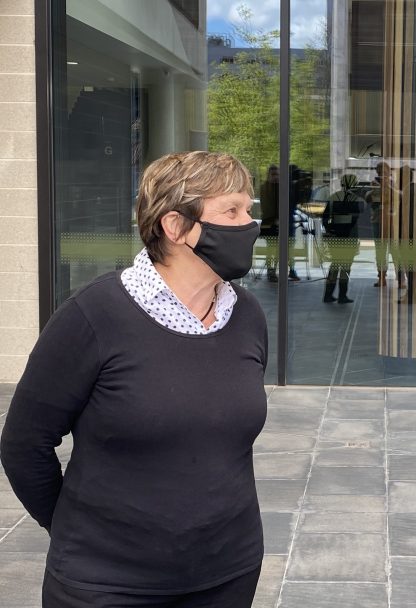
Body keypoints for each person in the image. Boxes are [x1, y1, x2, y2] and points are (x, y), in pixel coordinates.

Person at [1, 151, 268, 607]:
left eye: (249, 209)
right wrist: (76, 531)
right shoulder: (93, 316)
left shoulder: (245, 315)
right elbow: (24, 444)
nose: (249, 224)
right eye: (231, 210)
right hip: (108, 583)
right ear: (175, 226)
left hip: (228, 572)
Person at [322, 173, 366, 304]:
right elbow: (361, 215)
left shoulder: (332, 197)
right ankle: (342, 295)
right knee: (346, 266)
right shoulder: (358, 200)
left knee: (335, 264)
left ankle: (328, 295)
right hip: (349, 237)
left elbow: (325, 218)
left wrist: (330, 229)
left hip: (335, 236)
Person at [365, 161, 398, 287]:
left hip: (390, 221)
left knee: (394, 249)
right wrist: (373, 191)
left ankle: (400, 277)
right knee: (380, 250)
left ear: (389, 172)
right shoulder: (374, 184)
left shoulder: (392, 184)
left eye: (384, 172)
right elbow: (367, 199)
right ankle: (381, 277)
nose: (381, 174)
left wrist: (387, 186)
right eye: (379, 172)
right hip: (377, 220)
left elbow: (398, 197)